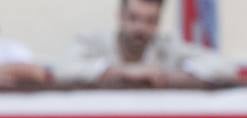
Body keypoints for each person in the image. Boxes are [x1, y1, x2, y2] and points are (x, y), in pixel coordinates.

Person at [55, 0, 237, 88]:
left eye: (150, 21)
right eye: (134, 18)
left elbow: (226, 68)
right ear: (120, 16)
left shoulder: (167, 45)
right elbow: (62, 70)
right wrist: (121, 72)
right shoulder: (95, 42)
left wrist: (171, 77)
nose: (141, 28)